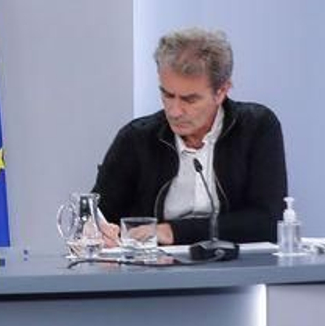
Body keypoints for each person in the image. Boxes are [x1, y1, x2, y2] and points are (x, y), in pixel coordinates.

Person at [91, 27, 286, 246]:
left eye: (189, 99)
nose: (174, 111)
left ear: (221, 91)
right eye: (167, 95)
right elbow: (98, 216)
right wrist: (98, 232)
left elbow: (268, 222)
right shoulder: (136, 138)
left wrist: (173, 232)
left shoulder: (257, 127)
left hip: (235, 269)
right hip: (152, 273)